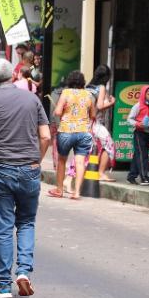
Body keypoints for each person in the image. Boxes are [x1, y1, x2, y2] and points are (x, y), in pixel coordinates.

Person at [0, 58, 51, 298]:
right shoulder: (32, 99)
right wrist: (36, 161)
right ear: (13, 75)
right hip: (29, 169)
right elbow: (46, 136)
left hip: (0, 170)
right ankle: (24, 271)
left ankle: (3, 285)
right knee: (26, 222)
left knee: (3, 227)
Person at [49, 70, 95, 200]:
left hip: (66, 131)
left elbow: (58, 112)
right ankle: (77, 192)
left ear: (69, 81)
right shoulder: (89, 95)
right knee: (80, 162)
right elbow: (93, 115)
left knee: (62, 160)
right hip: (84, 132)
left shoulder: (66, 93)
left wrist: (59, 111)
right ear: (83, 82)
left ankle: (59, 190)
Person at [88, 65, 117, 182]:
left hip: (85, 123)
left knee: (90, 148)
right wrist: (112, 103)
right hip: (95, 123)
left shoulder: (88, 87)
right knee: (109, 145)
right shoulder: (101, 87)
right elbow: (99, 106)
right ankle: (101, 173)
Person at [125, 85, 149, 186]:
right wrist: (137, 124)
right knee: (142, 155)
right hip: (139, 133)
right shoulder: (138, 106)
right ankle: (144, 178)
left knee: (138, 154)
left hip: (147, 133)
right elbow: (129, 119)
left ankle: (131, 176)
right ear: (144, 94)